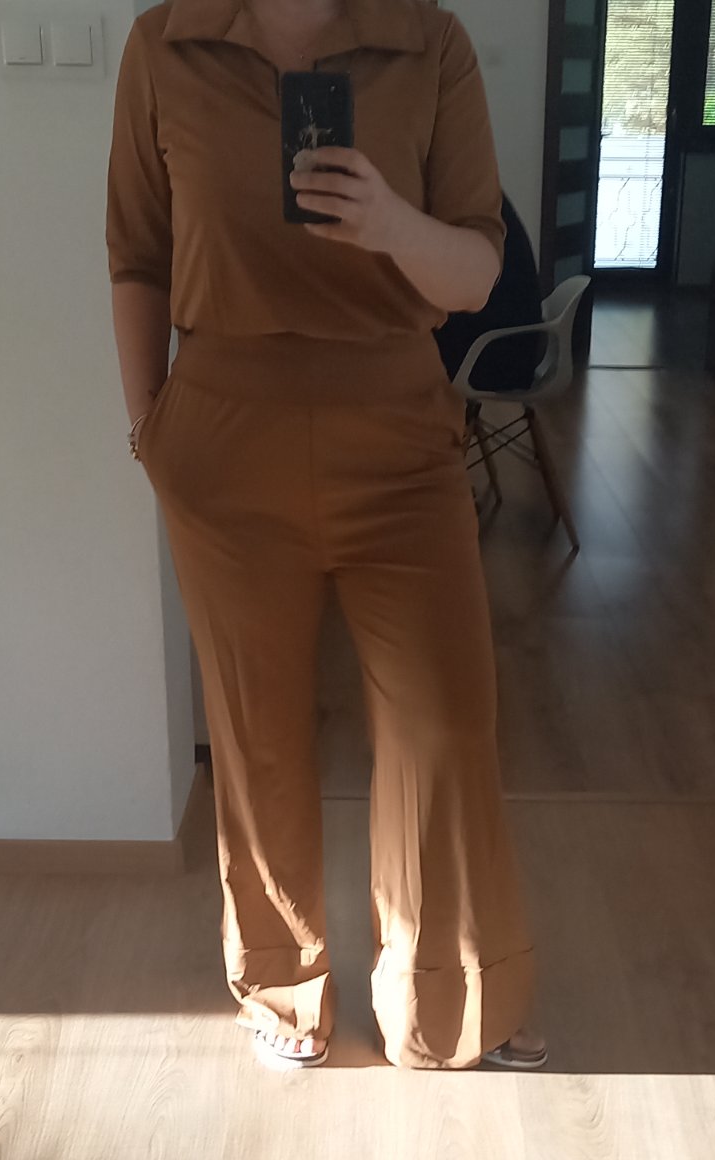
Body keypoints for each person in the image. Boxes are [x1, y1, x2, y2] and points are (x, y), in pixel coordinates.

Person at [106, 0, 547, 1072]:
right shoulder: (166, 44)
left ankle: (446, 1003)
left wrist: (392, 223)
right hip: (224, 429)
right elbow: (138, 253)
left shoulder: (429, 42)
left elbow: (478, 274)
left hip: (397, 427)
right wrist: (150, 426)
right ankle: (281, 983)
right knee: (255, 729)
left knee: (446, 724)